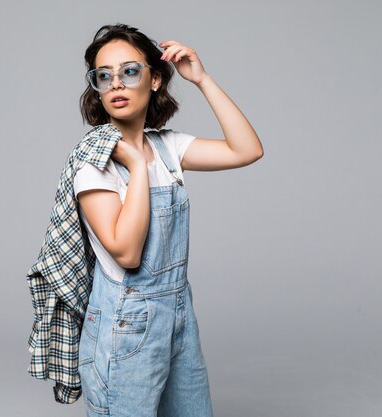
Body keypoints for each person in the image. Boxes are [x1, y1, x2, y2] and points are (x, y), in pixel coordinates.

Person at [73, 23, 264, 417]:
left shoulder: (169, 147)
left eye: (129, 71)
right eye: (104, 76)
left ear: (155, 78)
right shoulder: (94, 165)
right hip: (125, 327)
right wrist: (138, 168)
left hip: (178, 317)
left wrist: (201, 79)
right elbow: (127, 253)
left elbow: (247, 149)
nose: (116, 84)